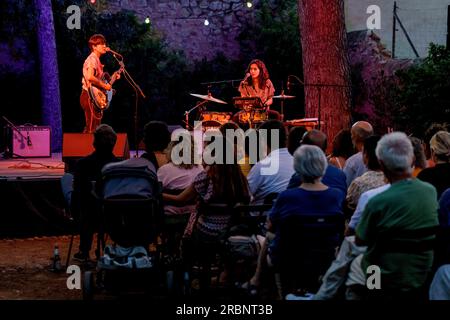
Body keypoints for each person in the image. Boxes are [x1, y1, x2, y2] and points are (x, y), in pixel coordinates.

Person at [350, 132, 439, 300]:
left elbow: (360, 239)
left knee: (362, 262)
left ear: (382, 164)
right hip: (419, 274)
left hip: (382, 278)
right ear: (412, 160)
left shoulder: (376, 201)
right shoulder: (429, 192)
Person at [70, 124, 119, 261]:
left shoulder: (82, 164)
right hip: (112, 210)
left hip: (88, 210)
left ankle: (84, 249)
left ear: (94, 143)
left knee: (68, 182)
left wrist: (73, 209)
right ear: (114, 143)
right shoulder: (119, 165)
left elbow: (78, 191)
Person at [80, 34, 118, 133]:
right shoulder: (92, 59)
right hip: (88, 96)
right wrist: (105, 85)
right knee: (92, 129)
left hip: (93, 96)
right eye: (101, 44)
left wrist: (111, 82)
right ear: (94, 46)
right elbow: (90, 77)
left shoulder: (97, 60)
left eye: (105, 43)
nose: (105, 46)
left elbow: (99, 82)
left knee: (95, 128)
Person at [234, 59, 280, 126]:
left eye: (255, 69)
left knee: (276, 115)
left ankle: (275, 136)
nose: (252, 71)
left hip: (263, 112)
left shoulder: (267, 82)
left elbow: (271, 99)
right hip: (249, 112)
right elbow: (243, 99)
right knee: (235, 117)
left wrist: (265, 104)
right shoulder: (244, 83)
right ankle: (240, 136)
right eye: (251, 69)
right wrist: (246, 106)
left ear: (261, 71)